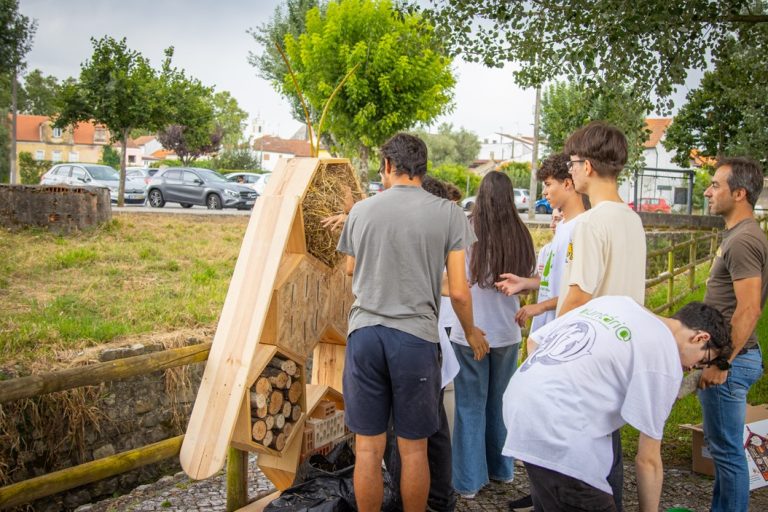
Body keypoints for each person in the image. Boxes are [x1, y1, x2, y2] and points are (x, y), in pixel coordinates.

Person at [337, 133, 489, 512]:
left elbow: (350, 268)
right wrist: (470, 332)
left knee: (368, 448)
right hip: (415, 339)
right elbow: (458, 290)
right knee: (415, 448)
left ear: (388, 165)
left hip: (365, 336)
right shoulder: (449, 213)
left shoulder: (361, 211)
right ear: (423, 168)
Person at [502, 297, 733, 512]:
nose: (694, 368)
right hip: (558, 428)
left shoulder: (619, 302)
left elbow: (534, 341)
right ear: (700, 338)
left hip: (520, 402)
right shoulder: (665, 359)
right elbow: (648, 460)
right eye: (703, 361)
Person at [558, 121, 647, 509]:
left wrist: (545, 345)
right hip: (622, 350)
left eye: (572, 163)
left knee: (581, 462)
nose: (570, 171)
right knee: (609, 450)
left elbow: (578, 297)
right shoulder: (632, 218)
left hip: (588, 355)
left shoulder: (591, 223)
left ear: (589, 166)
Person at [448, 171, 536, 499]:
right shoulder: (521, 233)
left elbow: (452, 281)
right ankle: (502, 470)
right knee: (500, 403)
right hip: (507, 329)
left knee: (470, 404)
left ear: (481, 196)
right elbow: (528, 278)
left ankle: (469, 481)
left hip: (470, 329)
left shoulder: (465, 229)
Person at [383, 173, 461, 512]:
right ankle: (440, 499)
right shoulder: (436, 227)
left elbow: (452, 286)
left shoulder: (425, 231)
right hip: (431, 340)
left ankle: (411, 501)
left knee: (406, 437)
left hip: (417, 340)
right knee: (435, 428)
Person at [697, 156, 768, 512]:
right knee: (723, 450)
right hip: (729, 358)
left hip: (732, 362)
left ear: (739, 193)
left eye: (715, 185)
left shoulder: (743, 240)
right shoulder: (738, 235)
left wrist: (723, 360)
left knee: (727, 454)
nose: (708, 191)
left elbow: (750, 308)